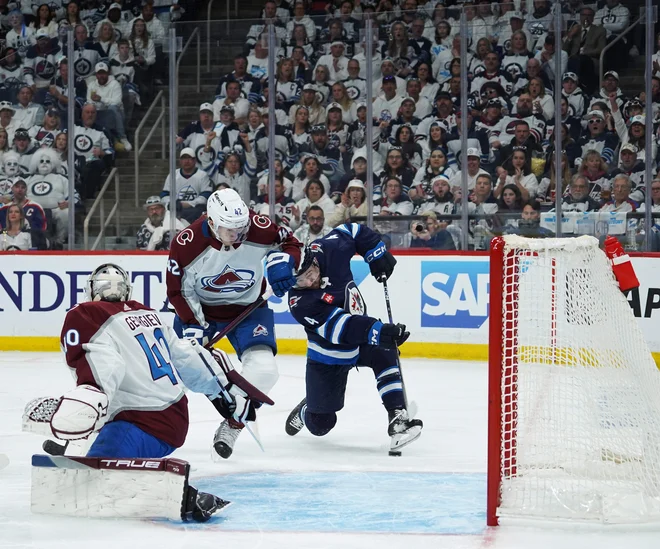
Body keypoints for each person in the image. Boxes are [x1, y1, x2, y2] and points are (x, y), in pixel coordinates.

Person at [43, 263, 244, 522]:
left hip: (141, 422)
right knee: (107, 411)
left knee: (96, 485)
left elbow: (104, 376)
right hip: (175, 418)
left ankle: (186, 497)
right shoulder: (149, 314)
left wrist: (86, 406)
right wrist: (219, 390)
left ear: (92, 290)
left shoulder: (86, 315)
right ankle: (87, 446)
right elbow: (187, 359)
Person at [166, 188, 302, 459]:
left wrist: (285, 263)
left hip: (250, 309)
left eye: (242, 229)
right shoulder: (186, 243)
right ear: (212, 223)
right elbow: (178, 290)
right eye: (231, 231)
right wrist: (193, 324)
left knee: (265, 371)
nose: (239, 236)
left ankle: (233, 423)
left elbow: (292, 244)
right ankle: (145, 421)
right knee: (171, 377)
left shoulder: (258, 227)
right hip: (200, 312)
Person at [284, 224, 423, 453]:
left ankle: (397, 416)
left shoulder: (328, 248)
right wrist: (377, 330)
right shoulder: (300, 302)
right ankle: (306, 409)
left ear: (314, 260)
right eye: (300, 281)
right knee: (322, 425)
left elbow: (352, 230)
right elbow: (342, 329)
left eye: (309, 274)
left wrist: (375, 252)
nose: (308, 283)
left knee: (385, 351)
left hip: (361, 338)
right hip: (328, 355)